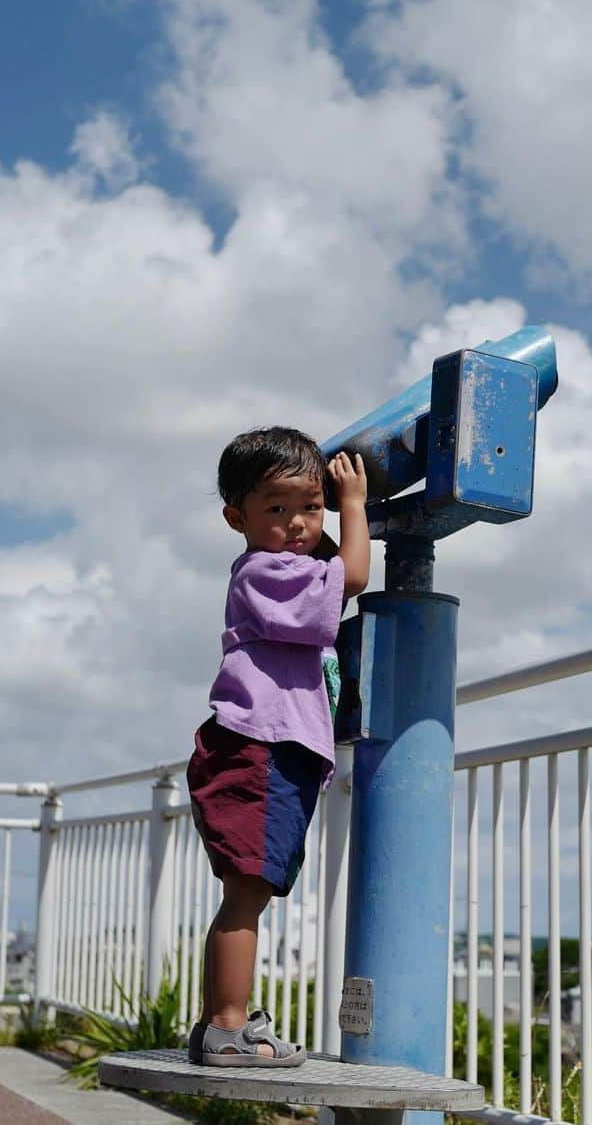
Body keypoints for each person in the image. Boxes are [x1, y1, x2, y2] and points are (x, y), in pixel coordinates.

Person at [186, 426, 369, 1066]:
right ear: (236, 517)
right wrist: (352, 503)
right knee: (245, 897)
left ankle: (222, 1020)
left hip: (267, 746)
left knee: (249, 894)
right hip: (258, 747)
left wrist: (332, 508)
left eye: (309, 506)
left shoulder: (282, 567)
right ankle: (227, 1028)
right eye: (276, 509)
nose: (296, 524)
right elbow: (351, 576)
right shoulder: (267, 572)